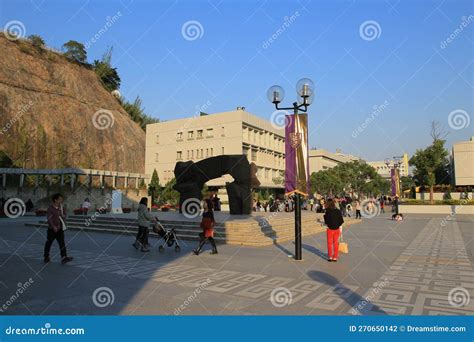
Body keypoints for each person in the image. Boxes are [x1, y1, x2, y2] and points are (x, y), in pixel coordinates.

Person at [44, 193, 73, 264]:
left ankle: (64, 257)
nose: (61, 200)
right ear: (55, 200)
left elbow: (64, 215)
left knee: (62, 243)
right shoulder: (50, 208)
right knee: (49, 242)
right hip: (52, 229)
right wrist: (53, 227)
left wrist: (64, 215)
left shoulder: (61, 207)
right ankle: (46, 256)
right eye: (60, 199)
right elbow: (49, 219)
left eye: (61, 199)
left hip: (60, 228)